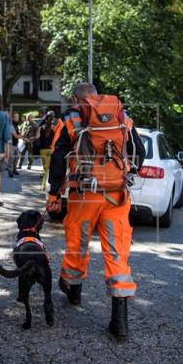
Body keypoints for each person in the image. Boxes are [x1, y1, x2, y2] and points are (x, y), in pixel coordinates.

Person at [46, 83, 145, 340]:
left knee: (77, 242)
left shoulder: (70, 118)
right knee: (116, 254)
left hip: (84, 194)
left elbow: (58, 158)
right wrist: (125, 174)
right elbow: (139, 151)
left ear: (76, 99)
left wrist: (54, 194)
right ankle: (120, 322)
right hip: (117, 195)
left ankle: (73, 289)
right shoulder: (121, 115)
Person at [38, 111, 56, 190]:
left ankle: (44, 185)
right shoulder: (54, 128)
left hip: (42, 150)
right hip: (50, 150)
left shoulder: (41, 127)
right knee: (47, 169)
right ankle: (44, 185)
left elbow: (37, 137)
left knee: (45, 168)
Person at [7, 112, 23, 177]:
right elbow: (16, 136)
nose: (18, 118)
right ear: (13, 118)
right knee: (11, 159)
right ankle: (10, 172)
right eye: (16, 117)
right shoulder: (11, 125)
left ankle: (14, 170)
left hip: (16, 144)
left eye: (18, 117)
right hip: (11, 144)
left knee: (16, 158)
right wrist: (22, 136)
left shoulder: (16, 125)